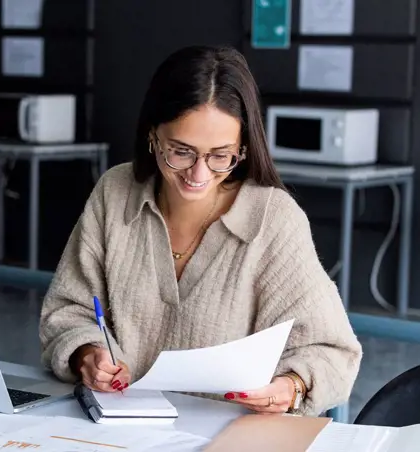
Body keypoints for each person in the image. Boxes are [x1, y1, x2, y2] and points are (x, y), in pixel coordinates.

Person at [39, 45, 362, 416]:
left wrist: (290, 387)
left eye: (220, 156)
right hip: (116, 432)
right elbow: (67, 310)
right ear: (152, 136)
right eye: (180, 151)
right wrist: (87, 354)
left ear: (243, 147)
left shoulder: (273, 219)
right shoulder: (115, 193)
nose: (199, 174)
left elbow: (332, 352)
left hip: (229, 437)